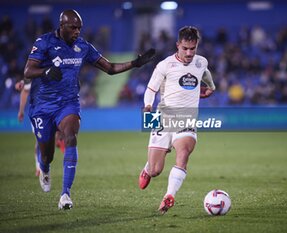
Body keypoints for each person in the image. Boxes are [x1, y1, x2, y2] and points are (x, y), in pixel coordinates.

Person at [23, 9, 155, 210]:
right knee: (47, 153)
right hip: (43, 106)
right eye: (73, 27)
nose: (77, 31)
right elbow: (28, 71)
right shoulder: (44, 42)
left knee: (70, 137)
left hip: (68, 103)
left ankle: (65, 194)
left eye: (79, 28)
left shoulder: (83, 46)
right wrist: (46, 71)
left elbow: (109, 68)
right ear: (62, 26)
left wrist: (135, 64)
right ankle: (45, 168)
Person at [138, 26, 215, 214]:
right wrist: (148, 107)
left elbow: (204, 72)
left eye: (193, 48)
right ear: (177, 45)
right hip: (163, 117)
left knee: (184, 153)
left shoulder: (201, 62)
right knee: (157, 170)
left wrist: (210, 86)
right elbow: (151, 89)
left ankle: (169, 196)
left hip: (187, 119)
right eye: (185, 48)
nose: (189, 53)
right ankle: (148, 168)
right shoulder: (165, 65)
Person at [15, 80, 66, 177]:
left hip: (53, 109)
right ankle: (38, 166)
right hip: (38, 112)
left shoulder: (54, 69)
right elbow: (25, 90)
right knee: (40, 140)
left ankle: (56, 142)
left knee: (55, 134)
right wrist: (21, 111)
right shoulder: (34, 74)